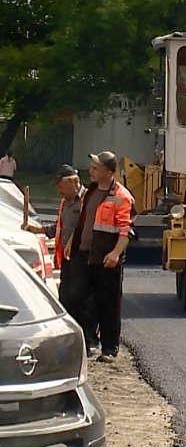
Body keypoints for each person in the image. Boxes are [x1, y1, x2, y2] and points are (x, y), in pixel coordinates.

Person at [71, 151, 135, 363]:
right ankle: (87, 341)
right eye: (92, 167)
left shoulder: (122, 196)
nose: (91, 171)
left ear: (109, 172)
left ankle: (109, 348)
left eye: (96, 168)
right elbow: (83, 220)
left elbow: (126, 230)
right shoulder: (89, 191)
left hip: (106, 259)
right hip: (84, 255)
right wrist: (73, 242)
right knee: (77, 299)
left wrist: (115, 254)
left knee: (107, 304)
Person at [52, 165, 98, 357]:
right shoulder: (66, 202)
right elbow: (62, 227)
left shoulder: (87, 200)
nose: (58, 190)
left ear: (73, 182)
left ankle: (88, 341)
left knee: (82, 300)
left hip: (83, 257)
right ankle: (72, 340)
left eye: (60, 185)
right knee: (66, 298)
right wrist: (40, 230)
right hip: (68, 259)